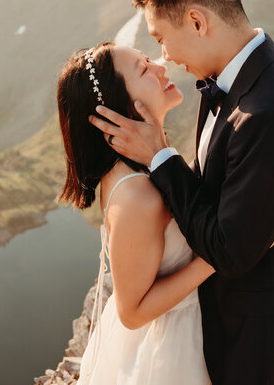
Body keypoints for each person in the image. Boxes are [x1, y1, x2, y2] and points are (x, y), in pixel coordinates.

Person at [90, 0, 274, 385]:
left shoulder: (268, 115)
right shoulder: (235, 75)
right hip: (228, 325)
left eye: (162, 38)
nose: (166, 58)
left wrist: (160, 157)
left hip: (261, 338)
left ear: (197, 21)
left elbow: (230, 252)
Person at [57, 41, 213, 384]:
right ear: (121, 107)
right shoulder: (138, 195)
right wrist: (218, 255)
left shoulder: (139, 164)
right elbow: (132, 312)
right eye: (144, 68)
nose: (161, 67)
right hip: (167, 348)